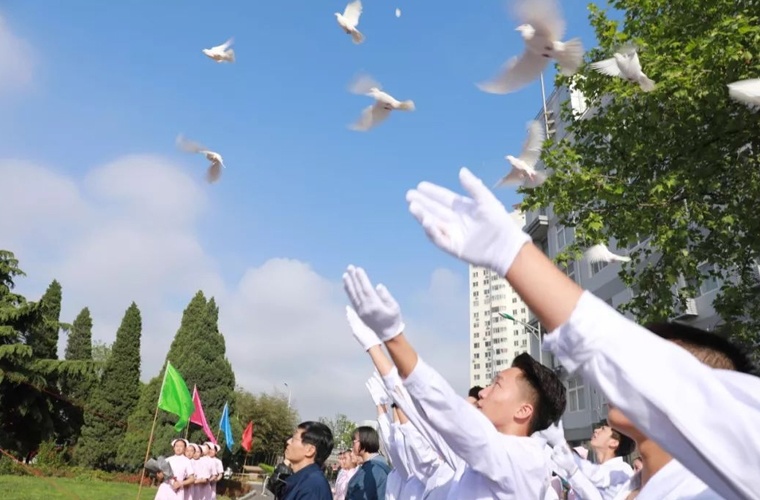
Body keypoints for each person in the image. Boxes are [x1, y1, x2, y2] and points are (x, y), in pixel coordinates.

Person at [403, 166, 760, 498]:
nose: (622, 375)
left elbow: (459, 426)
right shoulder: (639, 488)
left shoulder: (720, 483)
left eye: (653, 362)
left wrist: (514, 257)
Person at [343, 266, 567, 498]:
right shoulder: (471, 460)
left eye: (497, 384)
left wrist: (393, 336)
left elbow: (446, 409)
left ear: (523, 410)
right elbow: (422, 416)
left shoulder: (525, 461)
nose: (483, 393)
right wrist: (374, 347)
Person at [280, 421, 334, 500]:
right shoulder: (303, 479)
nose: (288, 442)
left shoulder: (312, 486)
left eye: (294, 439)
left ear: (310, 450)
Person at [346, 426, 392, 500]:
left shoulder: (372, 470)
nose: (352, 445)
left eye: (354, 441)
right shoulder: (377, 465)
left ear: (364, 441)